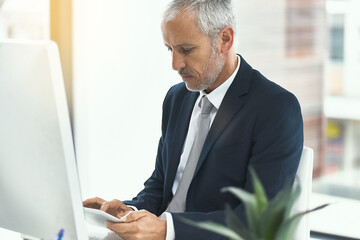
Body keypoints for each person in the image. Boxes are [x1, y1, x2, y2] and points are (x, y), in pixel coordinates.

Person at [83, 0, 304, 239]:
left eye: (186, 50)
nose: (175, 64)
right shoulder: (177, 98)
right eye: (170, 49)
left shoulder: (275, 108)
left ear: (225, 40)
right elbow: (161, 184)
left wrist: (167, 229)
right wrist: (131, 211)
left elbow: (259, 220)